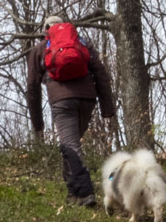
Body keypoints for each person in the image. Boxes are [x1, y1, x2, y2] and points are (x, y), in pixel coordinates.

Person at [26, 15, 117, 206]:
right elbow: (100, 72)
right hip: (87, 99)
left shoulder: (39, 50)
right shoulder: (83, 45)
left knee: (70, 147)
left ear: (45, 31)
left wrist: (37, 122)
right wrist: (106, 108)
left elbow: (32, 87)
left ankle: (85, 193)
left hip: (62, 101)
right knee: (70, 146)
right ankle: (73, 193)